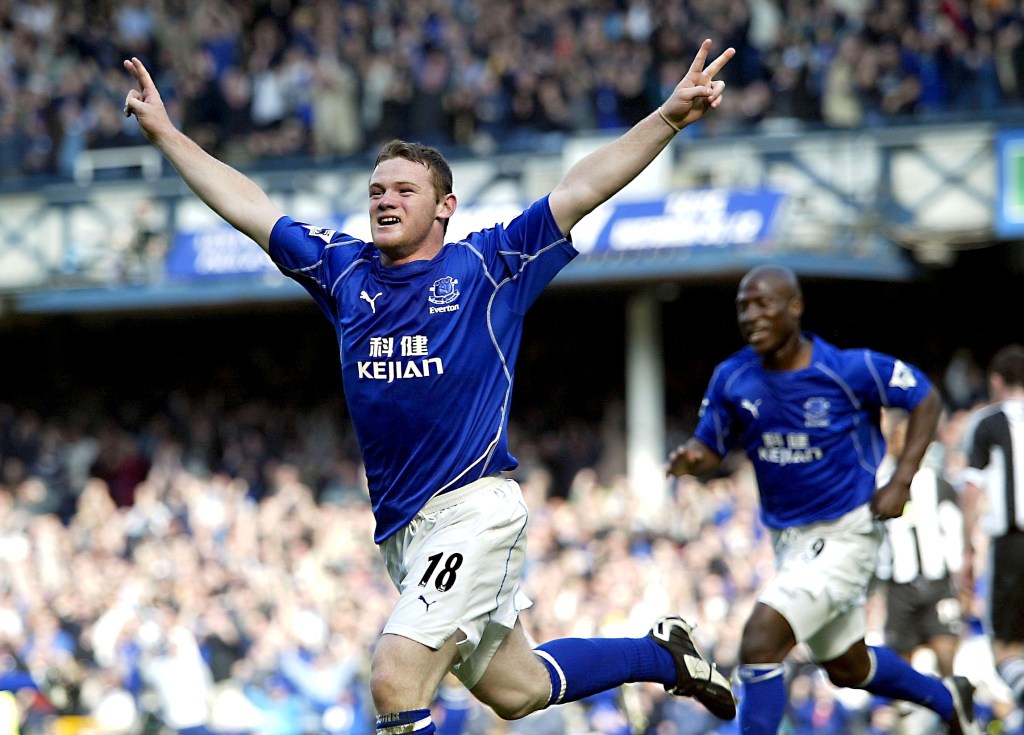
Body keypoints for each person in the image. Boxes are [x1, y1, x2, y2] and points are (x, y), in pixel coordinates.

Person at [123, 39, 738, 735]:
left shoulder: (488, 265)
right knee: (519, 689)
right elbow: (250, 207)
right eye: (376, 191)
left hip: (473, 509)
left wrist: (668, 118)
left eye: (403, 190)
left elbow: (579, 190)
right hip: (402, 532)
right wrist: (167, 135)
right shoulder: (342, 271)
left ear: (445, 206)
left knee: (395, 675)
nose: (385, 200)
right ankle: (664, 654)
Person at [666, 264, 979, 735]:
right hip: (789, 542)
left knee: (760, 640)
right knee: (847, 667)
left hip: (846, 531)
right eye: (743, 307)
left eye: (763, 304)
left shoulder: (847, 369)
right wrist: (693, 458)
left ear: (794, 307)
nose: (751, 316)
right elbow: (710, 446)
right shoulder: (732, 377)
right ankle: (948, 698)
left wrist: (902, 480)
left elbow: (925, 398)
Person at [875, 408, 965, 732]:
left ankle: (956, 716)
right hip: (899, 584)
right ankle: (907, 721)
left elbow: (954, 528)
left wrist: (960, 576)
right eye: (897, 437)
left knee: (946, 651)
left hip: (938, 581)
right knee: (901, 658)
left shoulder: (937, 483)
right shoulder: (879, 484)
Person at [960, 344, 1024, 714]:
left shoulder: (988, 423)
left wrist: (967, 550)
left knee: (1005, 648)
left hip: (1011, 544)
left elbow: (972, 491)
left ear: (996, 381)